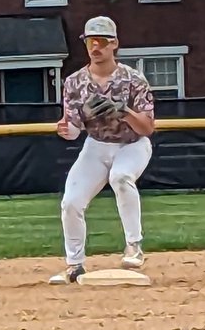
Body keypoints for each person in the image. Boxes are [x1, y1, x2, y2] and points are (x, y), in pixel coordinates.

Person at [56, 15, 156, 282]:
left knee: (121, 177)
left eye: (101, 41)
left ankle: (134, 246)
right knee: (71, 202)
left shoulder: (133, 79)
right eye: (90, 41)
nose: (95, 47)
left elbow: (147, 128)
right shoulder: (75, 82)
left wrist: (124, 112)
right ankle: (74, 264)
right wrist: (68, 130)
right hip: (96, 146)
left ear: (115, 44)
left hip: (132, 145)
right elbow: (75, 126)